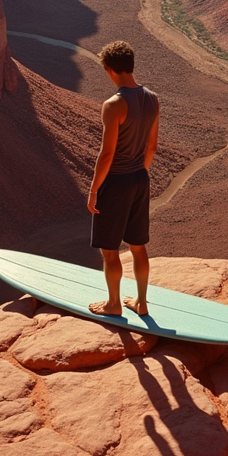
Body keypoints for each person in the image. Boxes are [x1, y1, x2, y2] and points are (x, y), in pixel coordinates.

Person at [87, 40, 159, 317]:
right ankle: (141, 303)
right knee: (138, 246)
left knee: (110, 250)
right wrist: (138, 172)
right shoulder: (152, 98)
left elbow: (107, 155)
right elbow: (151, 147)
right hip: (140, 177)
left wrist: (94, 191)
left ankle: (114, 304)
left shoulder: (114, 104)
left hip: (116, 181)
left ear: (109, 70)